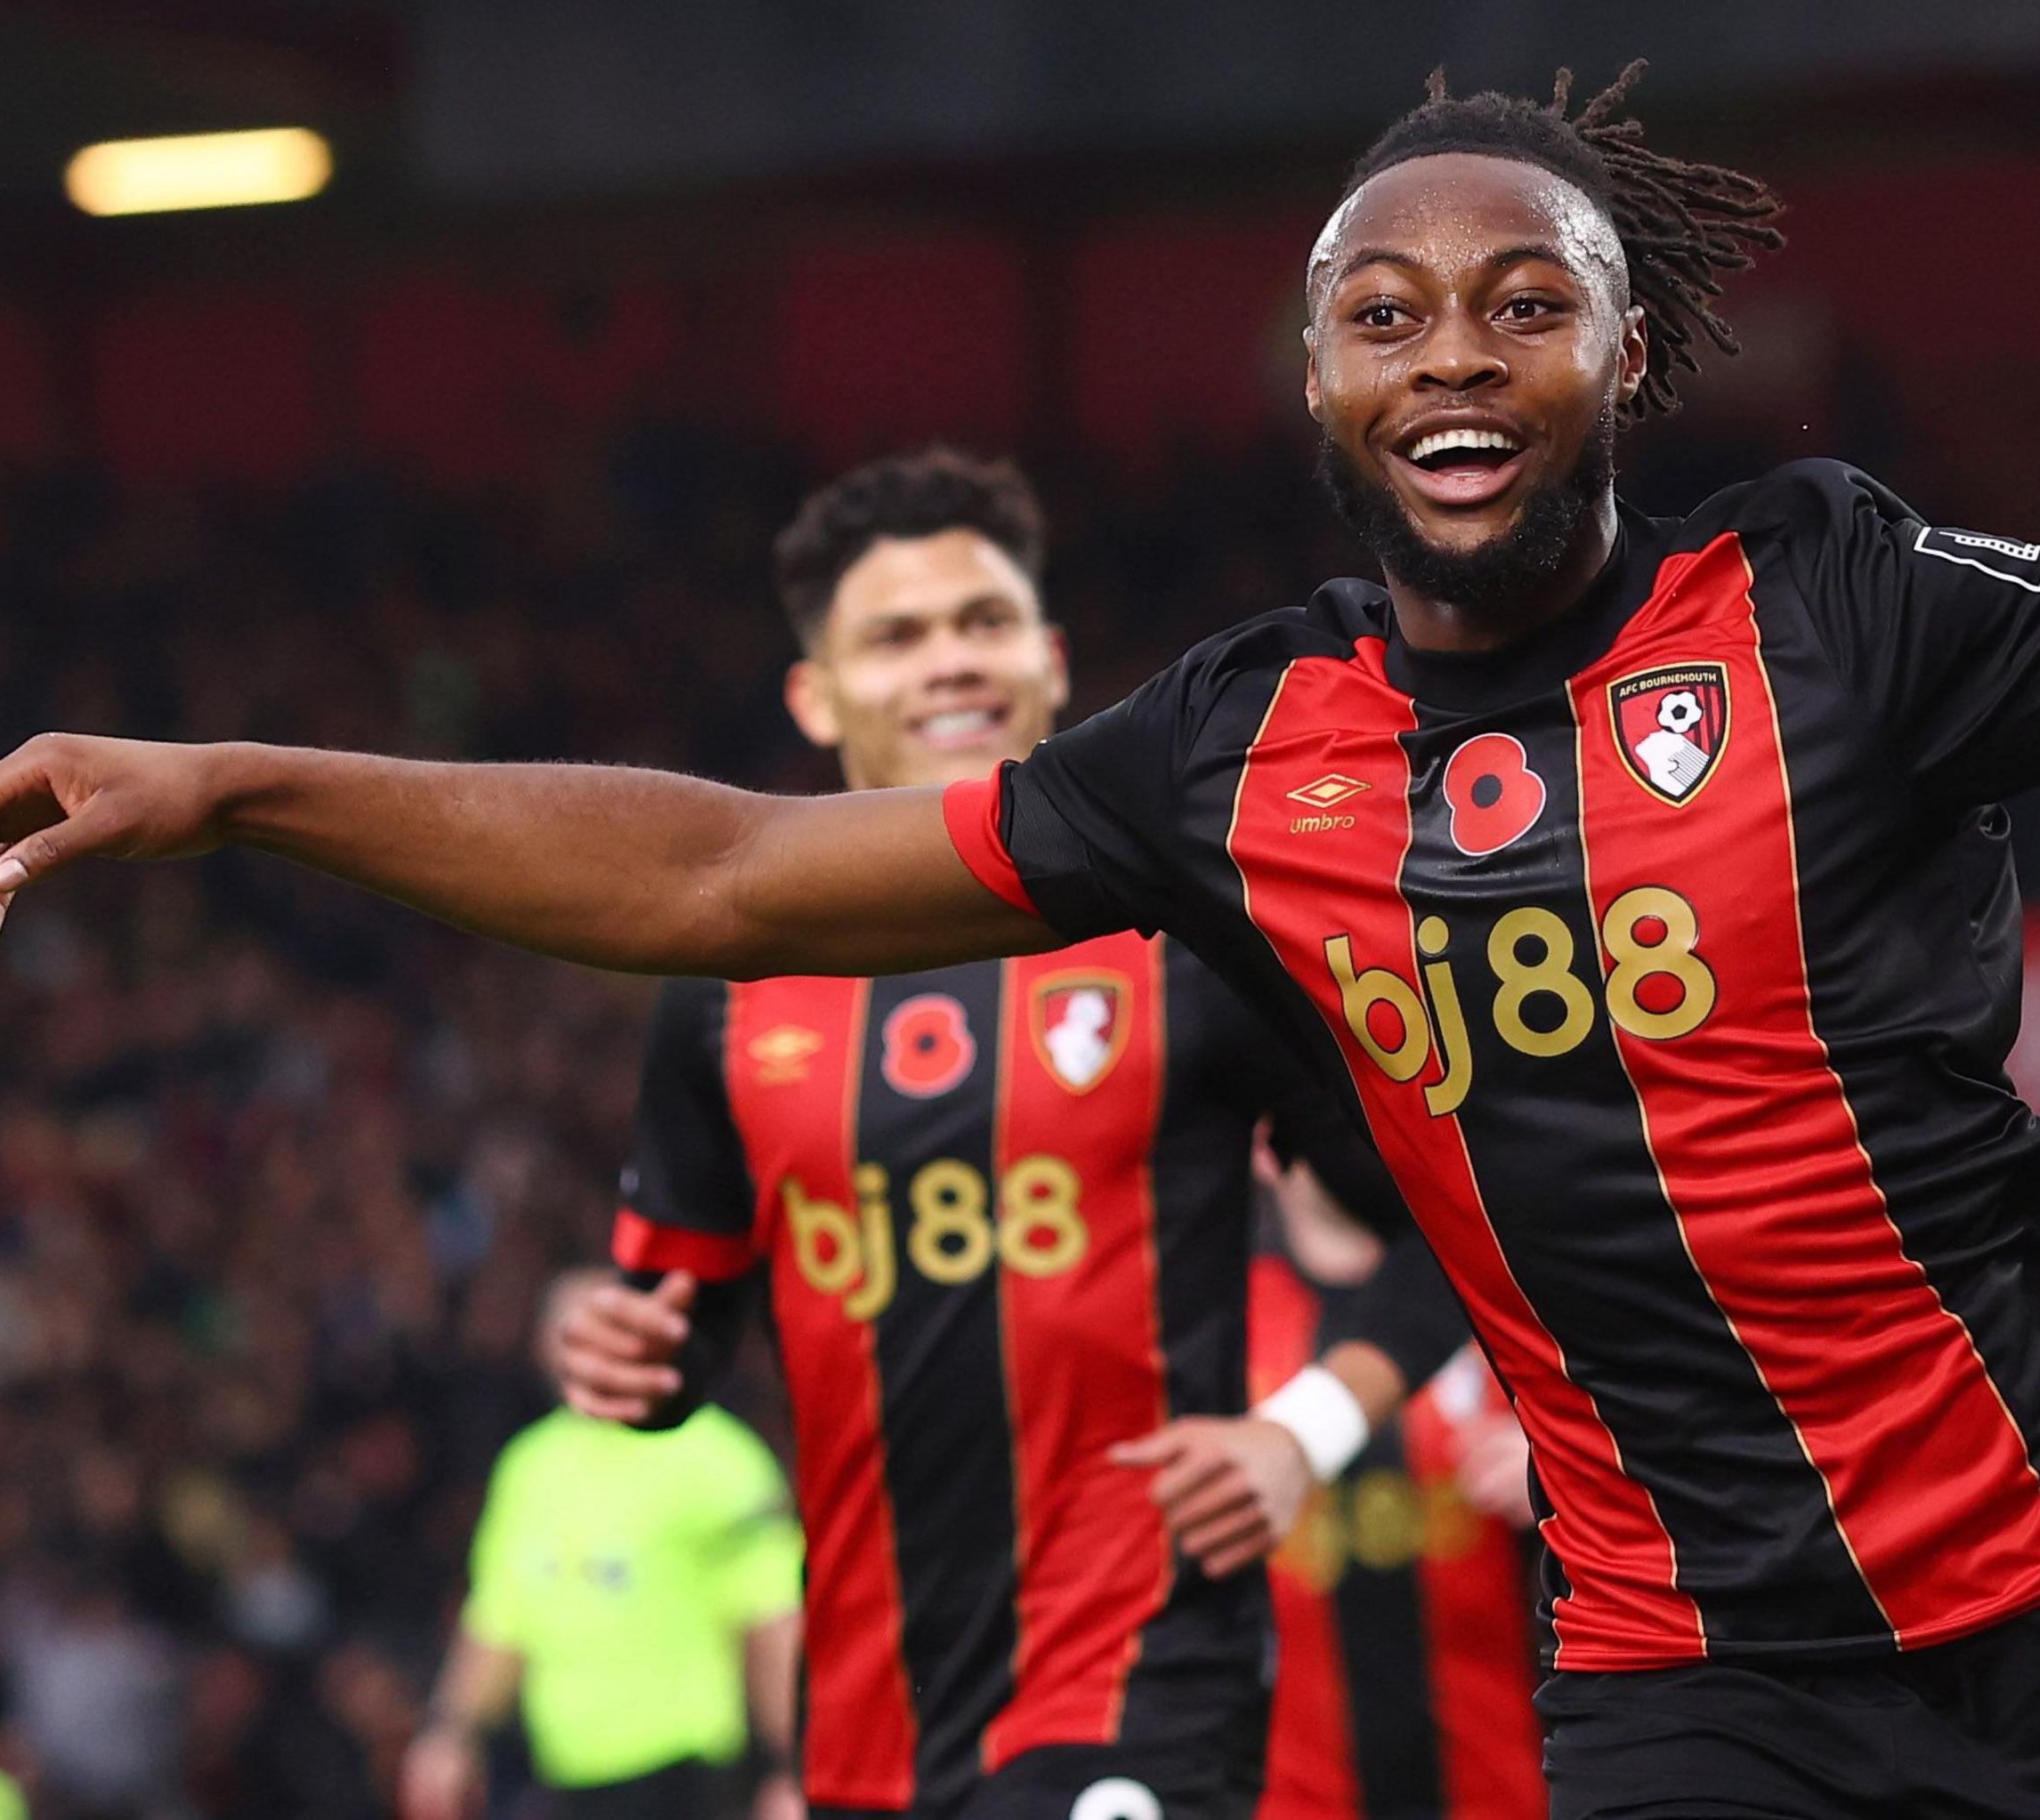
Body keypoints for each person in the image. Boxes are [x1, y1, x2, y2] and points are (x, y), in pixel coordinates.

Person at [0, 61, 2040, 1816]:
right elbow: (716, 873)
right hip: (1696, 1677)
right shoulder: (1234, 753)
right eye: (1389, 312)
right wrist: (235, 777)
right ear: (1318, 388)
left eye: (1526, 297)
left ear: (1629, 350)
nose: (1457, 348)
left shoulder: (1836, 594)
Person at [538, 449, 1466, 1819]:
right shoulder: (728, 1000)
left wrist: (1307, 1428)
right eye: (897, 634)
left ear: (1047, 656)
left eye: (981, 621)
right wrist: (632, 1354)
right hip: (868, 1719)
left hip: (1141, 1675)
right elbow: (684, 1320)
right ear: (816, 691)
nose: (948, 661)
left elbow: (1459, 1209)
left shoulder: (1188, 939)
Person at [400, 1269, 805, 1820]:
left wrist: (792, 1768)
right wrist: (451, 1732)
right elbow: (499, 1619)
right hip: (569, 1778)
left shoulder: (715, 1456)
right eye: (567, 1331)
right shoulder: (530, 1468)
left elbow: (772, 1619)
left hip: (689, 1776)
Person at [1245, 1134, 1542, 1820]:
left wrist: (1568, 1470)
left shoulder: (1505, 1297)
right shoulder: (1219, 1319)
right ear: (1266, 1144)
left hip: (1507, 1788)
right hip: (1295, 1798)